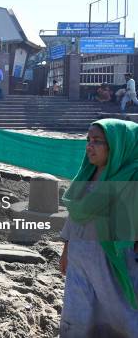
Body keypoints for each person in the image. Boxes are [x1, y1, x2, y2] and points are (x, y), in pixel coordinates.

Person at [60, 119, 138, 337]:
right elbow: (74, 214)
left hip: (113, 259)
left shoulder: (131, 176)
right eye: (88, 140)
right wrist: (66, 250)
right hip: (79, 256)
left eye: (97, 141)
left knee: (119, 312)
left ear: (115, 145)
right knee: (78, 311)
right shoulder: (85, 174)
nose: (89, 146)